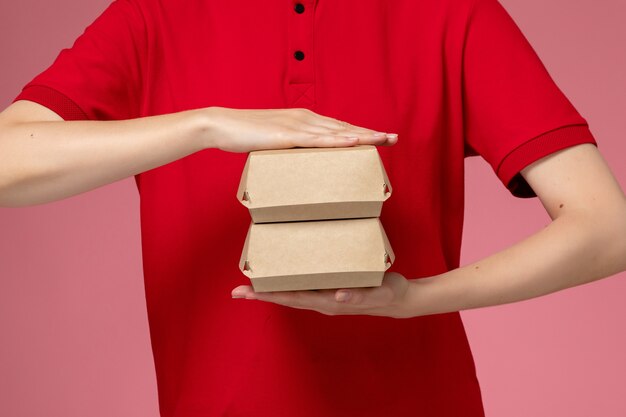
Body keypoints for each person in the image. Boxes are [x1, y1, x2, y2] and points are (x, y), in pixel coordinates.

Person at [0, 0, 624, 416]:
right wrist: (208, 125)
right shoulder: (158, 13)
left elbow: (607, 228)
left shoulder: (452, 11)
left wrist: (413, 298)